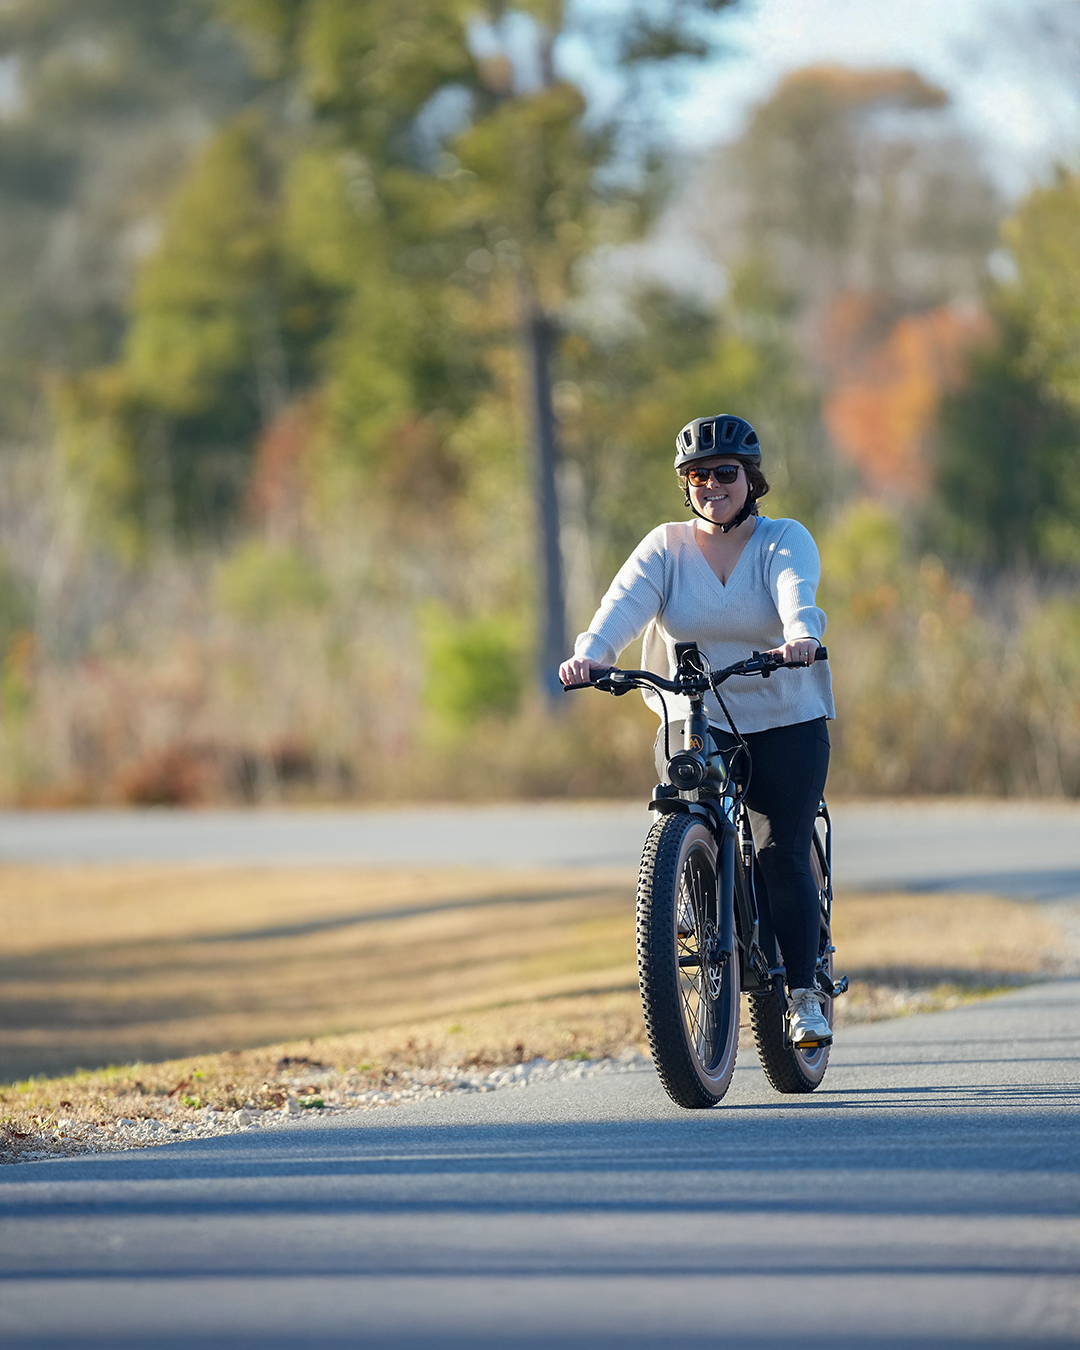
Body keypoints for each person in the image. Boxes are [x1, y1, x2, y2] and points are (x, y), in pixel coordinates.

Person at [559, 414, 835, 1046]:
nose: (713, 485)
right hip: (691, 714)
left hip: (784, 714)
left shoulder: (783, 539)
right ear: (685, 485)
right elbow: (622, 605)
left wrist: (801, 637)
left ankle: (803, 994)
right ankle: (693, 885)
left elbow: (797, 591)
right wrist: (593, 653)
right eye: (698, 475)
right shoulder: (665, 547)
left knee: (778, 850)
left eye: (725, 474)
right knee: (683, 814)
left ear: (751, 479)